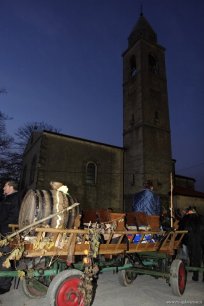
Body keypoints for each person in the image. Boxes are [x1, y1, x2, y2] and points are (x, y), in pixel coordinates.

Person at [0, 180, 20, 294]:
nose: (3, 188)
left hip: (7, 233)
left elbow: (14, 217)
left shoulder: (15, 199)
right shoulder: (7, 199)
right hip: (2, 231)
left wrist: (3, 226)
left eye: (5, 186)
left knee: (5, 258)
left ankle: (5, 285)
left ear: (11, 187)